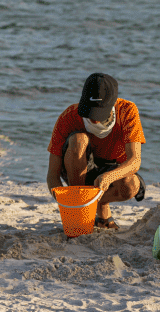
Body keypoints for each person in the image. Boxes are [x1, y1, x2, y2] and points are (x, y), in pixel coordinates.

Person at [46, 73, 145, 229]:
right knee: (78, 140)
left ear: (113, 104)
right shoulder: (68, 116)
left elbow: (134, 161)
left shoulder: (127, 111)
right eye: (89, 111)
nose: (94, 119)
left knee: (131, 185)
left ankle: (99, 207)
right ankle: (81, 212)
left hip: (111, 169)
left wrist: (109, 176)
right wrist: (68, 204)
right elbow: (52, 175)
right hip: (76, 171)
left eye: (99, 113)